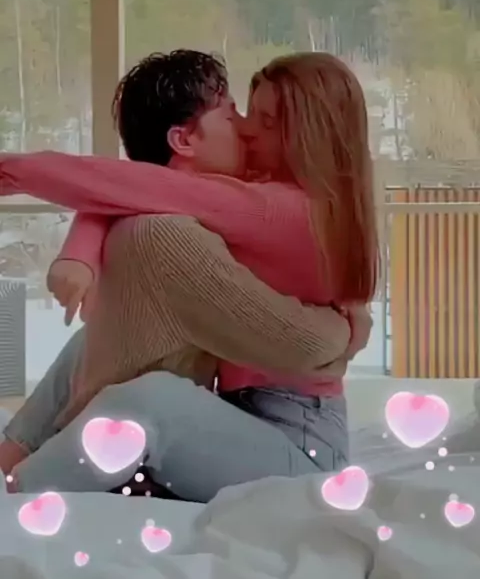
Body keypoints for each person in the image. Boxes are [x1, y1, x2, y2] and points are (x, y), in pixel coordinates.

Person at [0, 49, 377, 498]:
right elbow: (127, 191)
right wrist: (79, 254)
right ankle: (12, 453)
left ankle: (20, 493)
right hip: (248, 416)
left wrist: (13, 171)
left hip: (301, 447)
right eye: (243, 113)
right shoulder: (274, 196)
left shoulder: (276, 208)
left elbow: (131, 187)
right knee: (92, 339)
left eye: (265, 121)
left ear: (308, 135)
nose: (246, 128)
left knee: (149, 402)